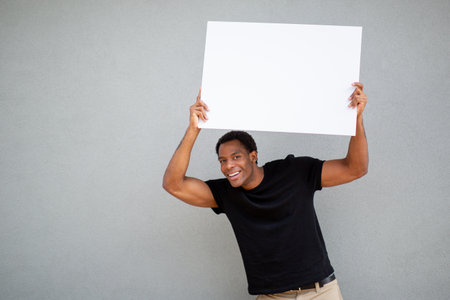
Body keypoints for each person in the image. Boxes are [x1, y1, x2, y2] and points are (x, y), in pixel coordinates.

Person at [162, 83, 368, 299]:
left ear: (253, 156)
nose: (228, 165)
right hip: (272, 297)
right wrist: (193, 129)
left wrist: (357, 119)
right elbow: (173, 184)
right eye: (222, 160)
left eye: (236, 157)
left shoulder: (294, 172)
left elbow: (355, 168)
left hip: (320, 292)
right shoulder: (225, 194)